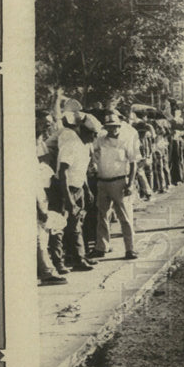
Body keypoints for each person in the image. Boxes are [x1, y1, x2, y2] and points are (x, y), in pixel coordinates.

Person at [91, 109, 141, 260]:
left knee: (125, 217)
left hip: (119, 182)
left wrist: (131, 184)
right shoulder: (100, 140)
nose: (112, 129)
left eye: (115, 126)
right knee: (102, 216)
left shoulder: (126, 141)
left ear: (119, 126)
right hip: (102, 181)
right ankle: (102, 247)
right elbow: (94, 156)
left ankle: (130, 249)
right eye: (109, 126)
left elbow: (133, 164)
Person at [52, 117, 99, 272]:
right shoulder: (71, 145)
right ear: (85, 132)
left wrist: (86, 190)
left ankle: (79, 257)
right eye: (93, 134)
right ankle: (64, 261)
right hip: (66, 189)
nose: (95, 138)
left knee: (77, 224)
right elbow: (63, 172)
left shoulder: (85, 146)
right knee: (63, 226)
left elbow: (81, 171)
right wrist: (68, 199)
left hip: (78, 188)